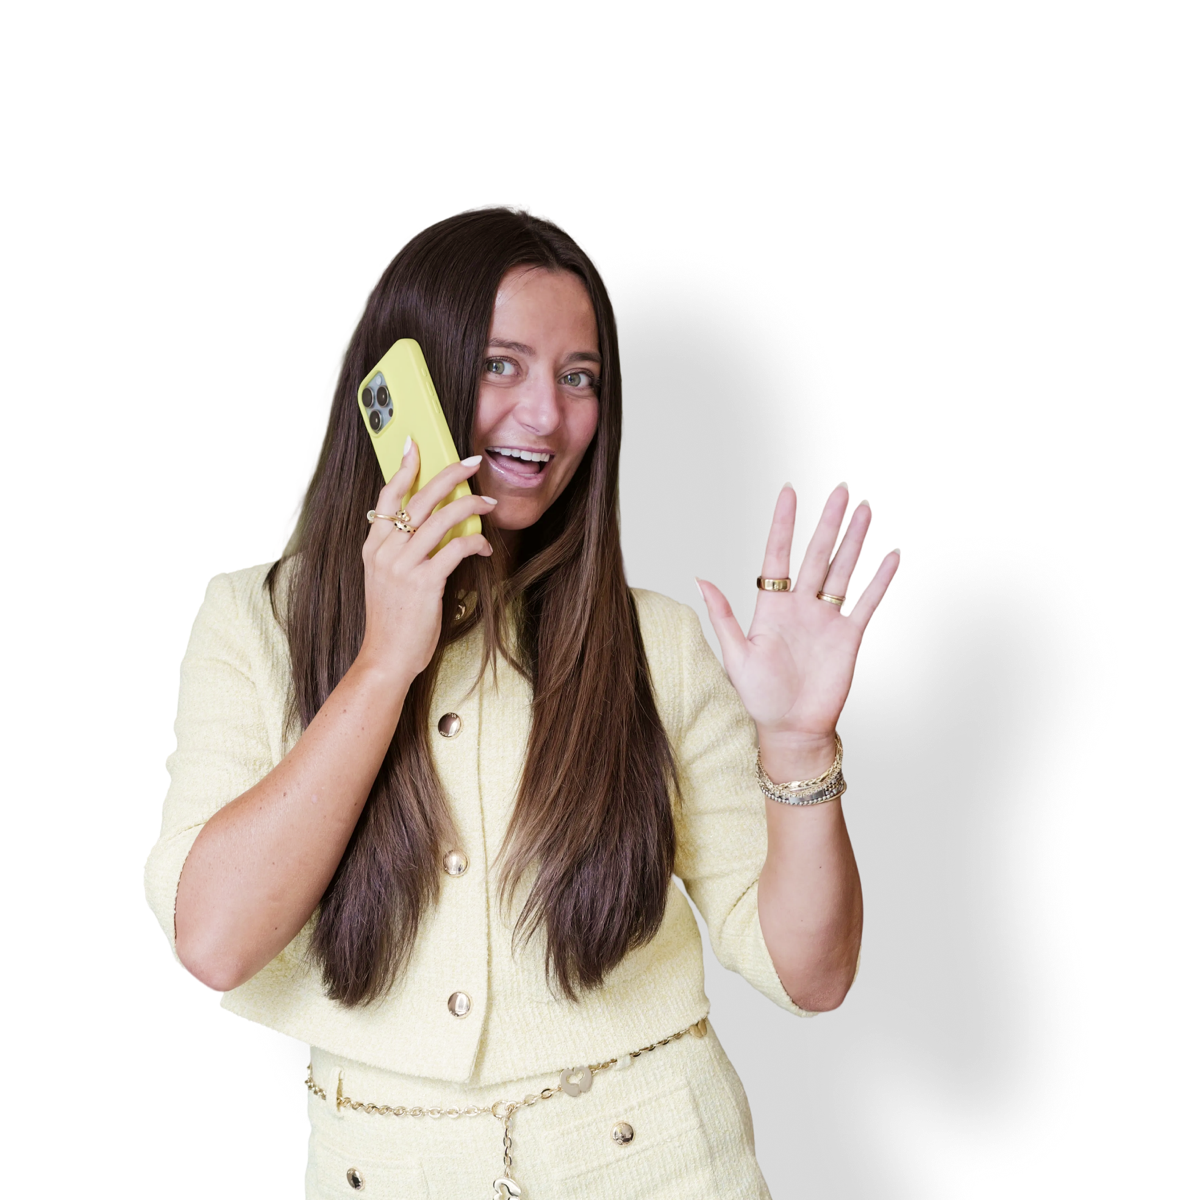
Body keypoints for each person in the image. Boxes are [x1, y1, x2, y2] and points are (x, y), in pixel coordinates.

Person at [143, 204, 902, 1198]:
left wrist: (798, 748)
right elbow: (212, 941)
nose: (547, 415)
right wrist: (383, 663)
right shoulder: (250, 622)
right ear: (406, 380)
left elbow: (814, 975)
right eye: (501, 364)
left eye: (579, 377)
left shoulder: (659, 644)